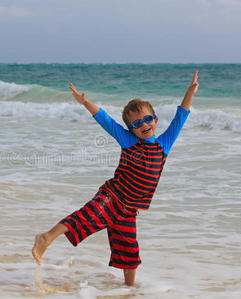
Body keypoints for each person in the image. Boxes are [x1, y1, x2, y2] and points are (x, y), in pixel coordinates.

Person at [32, 70, 199, 286]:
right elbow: (106, 120)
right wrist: (85, 102)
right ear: (131, 129)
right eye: (137, 123)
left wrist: (190, 92)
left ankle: (129, 290)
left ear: (155, 119)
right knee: (88, 216)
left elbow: (181, 116)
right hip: (112, 196)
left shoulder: (163, 144)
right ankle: (46, 237)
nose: (143, 125)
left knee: (129, 251)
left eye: (147, 119)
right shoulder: (129, 142)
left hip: (129, 208)